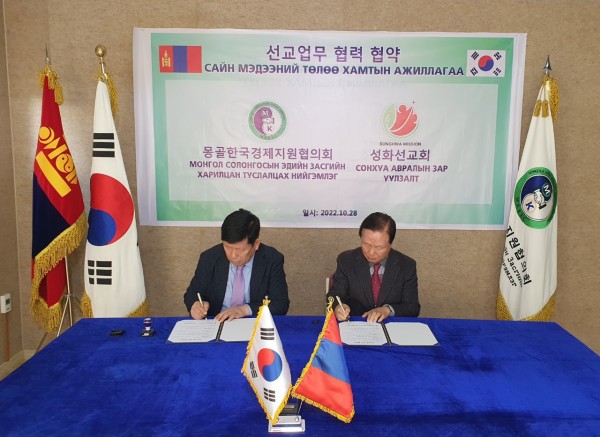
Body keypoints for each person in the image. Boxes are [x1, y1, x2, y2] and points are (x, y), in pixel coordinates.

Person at [184, 209, 289, 321]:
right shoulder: (209, 258)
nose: (233, 255)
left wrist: (244, 310)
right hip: (217, 322)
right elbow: (191, 294)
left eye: (240, 250)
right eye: (227, 247)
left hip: (254, 323)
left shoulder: (272, 259)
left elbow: (280, 304)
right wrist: (195, 305)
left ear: (256, 244)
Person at [327, 212, 420, 323]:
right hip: (355, 324)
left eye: (379, 247)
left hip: (390, 326)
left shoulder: (407, 266)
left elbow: (413, 307)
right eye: (366, 244)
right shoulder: (346, 260)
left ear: (390, 244)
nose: (371, 253)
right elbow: (335, 294)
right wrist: (338, 306)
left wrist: (388, 310)